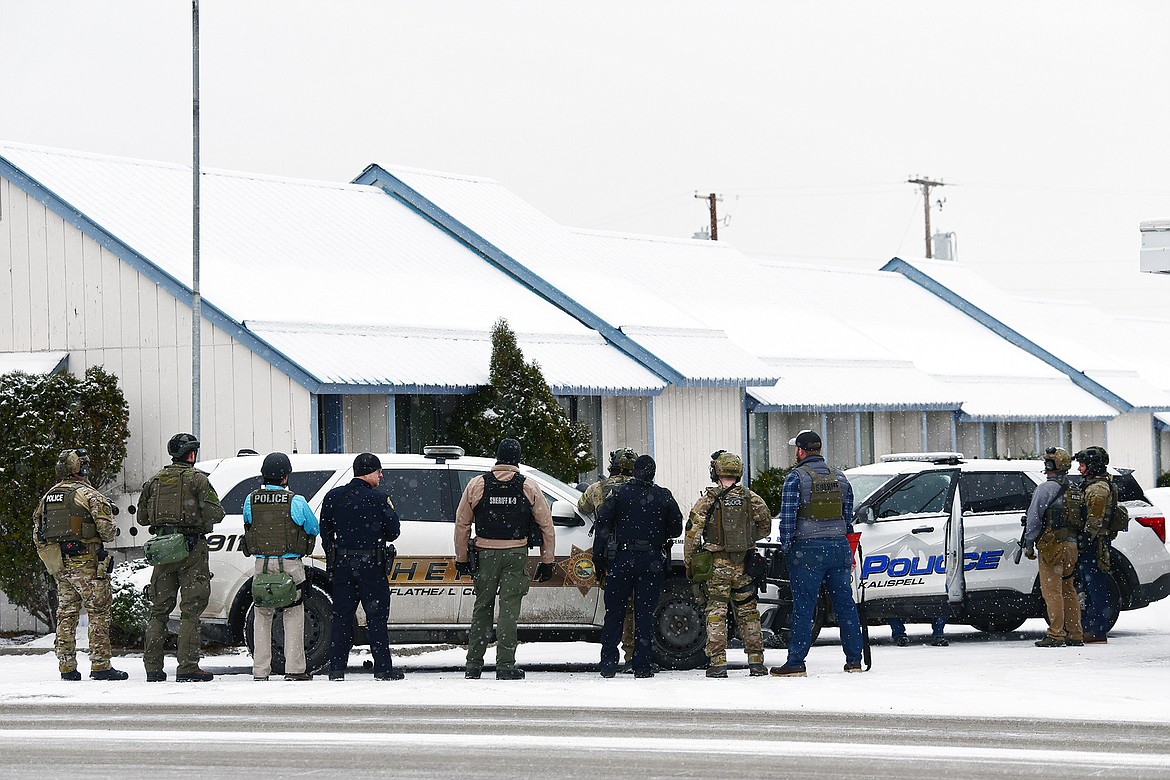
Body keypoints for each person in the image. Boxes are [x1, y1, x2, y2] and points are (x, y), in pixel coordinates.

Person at [454, 438, 556, 680]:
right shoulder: (528, 486)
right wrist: (547, 560)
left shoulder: (477, 484)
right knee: (509, 611)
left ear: (497, 457)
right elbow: (546, 525)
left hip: (485, 553)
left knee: (482, 609)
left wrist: (462, 557)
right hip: (516, 554)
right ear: (517, 459)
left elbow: (462, 523)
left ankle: (473, 666)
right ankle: (505, 666)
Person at [771, 430, 865, 677]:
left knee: (804, 608)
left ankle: (796, 663)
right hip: (838, 548)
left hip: (808, 551)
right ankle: (854, 660)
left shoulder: (795, 478)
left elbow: (788, 521)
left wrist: (788, 550)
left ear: (801, 451)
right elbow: (847, 519)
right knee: (846, 606)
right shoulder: (841, 478)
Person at [32, 449, 127, 681]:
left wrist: (54, 557)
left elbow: (38, 533)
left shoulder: (48, 496)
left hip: (60, 564)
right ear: (82, 469)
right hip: (87, 564)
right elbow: (107, 531)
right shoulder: (88, 494)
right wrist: (113, 528)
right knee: (98, 613)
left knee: (66, 614)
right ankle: (101, 666)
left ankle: (66, 667)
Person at [137, 433, 224, 682]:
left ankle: (153, 668)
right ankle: (187, 667)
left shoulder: (154, 480)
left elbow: (142, 518)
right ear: (191, 454)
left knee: (158, 610)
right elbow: (215, 513)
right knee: (190, 611)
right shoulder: (198, 480)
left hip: (163, 549)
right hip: (191, 549)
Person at [684, 449, 772, 678]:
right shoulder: (751, 498)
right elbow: (766, 526)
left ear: (715, 472)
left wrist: (690, 565)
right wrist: (746, 539)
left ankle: (718, 663)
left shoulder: (708, 500)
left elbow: (693, 535)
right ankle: (756, 661)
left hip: (717, 565)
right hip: (744, 563)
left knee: (716, 612)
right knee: (748, 612)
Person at [595, 455, 682, 678]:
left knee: (614, 613)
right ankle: (642, 665)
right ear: (653, 472)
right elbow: (676, 529)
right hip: (651, 560)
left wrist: (599, 559)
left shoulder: (619, 493)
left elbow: (603, 524)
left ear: (634, 471)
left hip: (622, 558)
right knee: (644, 614)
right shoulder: (663, 495)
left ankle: (608, 663)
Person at [320, 452, 402, 680]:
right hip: (372, 566)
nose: (381, 476)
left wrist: (334, 558)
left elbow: (325, 533)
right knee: (376, 619)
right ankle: (383, 669)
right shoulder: (379, 499)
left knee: (342, 618)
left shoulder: (333, 497)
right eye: (379, 472)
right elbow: (394, 532)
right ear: (371, 473)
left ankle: (337, 669)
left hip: (343, 565)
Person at [243, 452, 321, 680]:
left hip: (261, 565)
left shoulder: (251, 500)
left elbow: (249, 525)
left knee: (262, 616)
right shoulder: (296, 501)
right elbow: (313, 528)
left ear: (263, 476)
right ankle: (295, 670)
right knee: (293, 614)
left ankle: (260, 671)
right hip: (290, 565)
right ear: (286, 477)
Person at [578, 447, 639, 671]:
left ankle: (609, 658)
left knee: (613, 609)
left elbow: (581, 506)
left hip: (607, 554)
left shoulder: (598, 489)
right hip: (633, 553)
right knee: (633, 608)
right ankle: (632, 654)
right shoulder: (639, 489)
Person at [1023, 446, 1084, 648]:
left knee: (1052, 591)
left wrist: (1029, 544)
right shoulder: (1074, 489)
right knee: (1069, 589)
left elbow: (1034, 519)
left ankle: (1056, 634)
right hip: (1072, 546)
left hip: (1052, 546)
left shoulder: (1045, 489)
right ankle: (1075, 633)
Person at [1075, 446, 1115, 644]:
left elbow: (1094, 520)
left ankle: (1097, 631)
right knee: (1090, 585)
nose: (1080, 469)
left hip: (1095, 543)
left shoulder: (1097, 489)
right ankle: (1092, 628)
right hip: (1094, 542)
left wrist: (1083, 540)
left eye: (1082, 465)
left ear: (1093, 466)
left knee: (1095, 586)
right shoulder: (1093, 484)